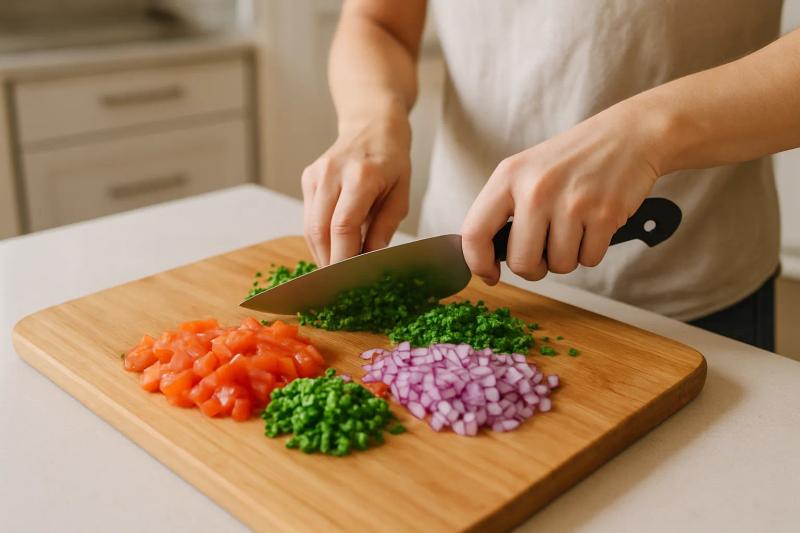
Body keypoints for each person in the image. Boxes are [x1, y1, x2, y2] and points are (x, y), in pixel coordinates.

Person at [301, 0, 799, 351]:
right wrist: (371, 120)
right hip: (467, 285)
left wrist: (648, 132)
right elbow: (377, 20)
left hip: (690, 287)